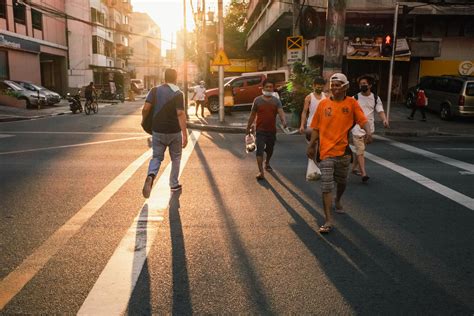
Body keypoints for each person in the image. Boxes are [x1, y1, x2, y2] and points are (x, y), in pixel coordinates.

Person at [307, 73, 372, 234]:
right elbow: (316, 127)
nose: (334, 88)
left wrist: (368, 132)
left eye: (338, 85)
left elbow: (363, 120)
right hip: (326, 152)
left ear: (345, 87)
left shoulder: (351, 103)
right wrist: (311, 145)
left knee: (342, 182)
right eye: (333, 85)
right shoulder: (323, 105)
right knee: (326, 186)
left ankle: (338, 199)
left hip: (343, 152)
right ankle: (328, 220)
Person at [142, 68, 188, 198]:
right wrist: (185, 134)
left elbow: (146, 108)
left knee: (156, 157)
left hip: (158, 130)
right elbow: (180, 113)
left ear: (164, 78)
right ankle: (174, 184)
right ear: (176, 78)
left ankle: (151, 175)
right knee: (176, 158)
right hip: (174, 131)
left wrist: (145, 120)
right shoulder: (178, 93)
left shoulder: (154, 90)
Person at [246, 79, 288, 181]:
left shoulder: (276, 101)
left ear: (273, 89)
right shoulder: (257, 100)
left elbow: (281, 112)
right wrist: (248, 127)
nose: (269, 89)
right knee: (259, 151)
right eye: (267, 87)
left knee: (270, 150)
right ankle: (261, 172)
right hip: (260, 130)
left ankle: (267, 162)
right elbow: (252, 115)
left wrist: (284, 121)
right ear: (263, 88)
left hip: (271, 130)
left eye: (271, 87)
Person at [351, 75, 389, 182]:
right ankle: (363, 173)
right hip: (357, 128)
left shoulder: (376, 98)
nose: (362, 86)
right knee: (361, 150)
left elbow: (380, 110)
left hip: (369, 130)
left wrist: (384, 120)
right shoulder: (355, 98)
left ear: (370, 85)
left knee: (359, 151)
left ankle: (353, 168)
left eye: (364, 84)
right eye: (361, 84)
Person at [299, 77, 327, 181]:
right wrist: (302, 125)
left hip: (324, 127)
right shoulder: (309, 97)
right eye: (317, 85)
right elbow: (304, 112)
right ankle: (313, 167)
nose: (319, 87)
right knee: (313, 147)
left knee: (322, 148)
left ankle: (319, 165)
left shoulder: (326, 97)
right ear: (314, 86)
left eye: (321, 85)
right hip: (312, 126)